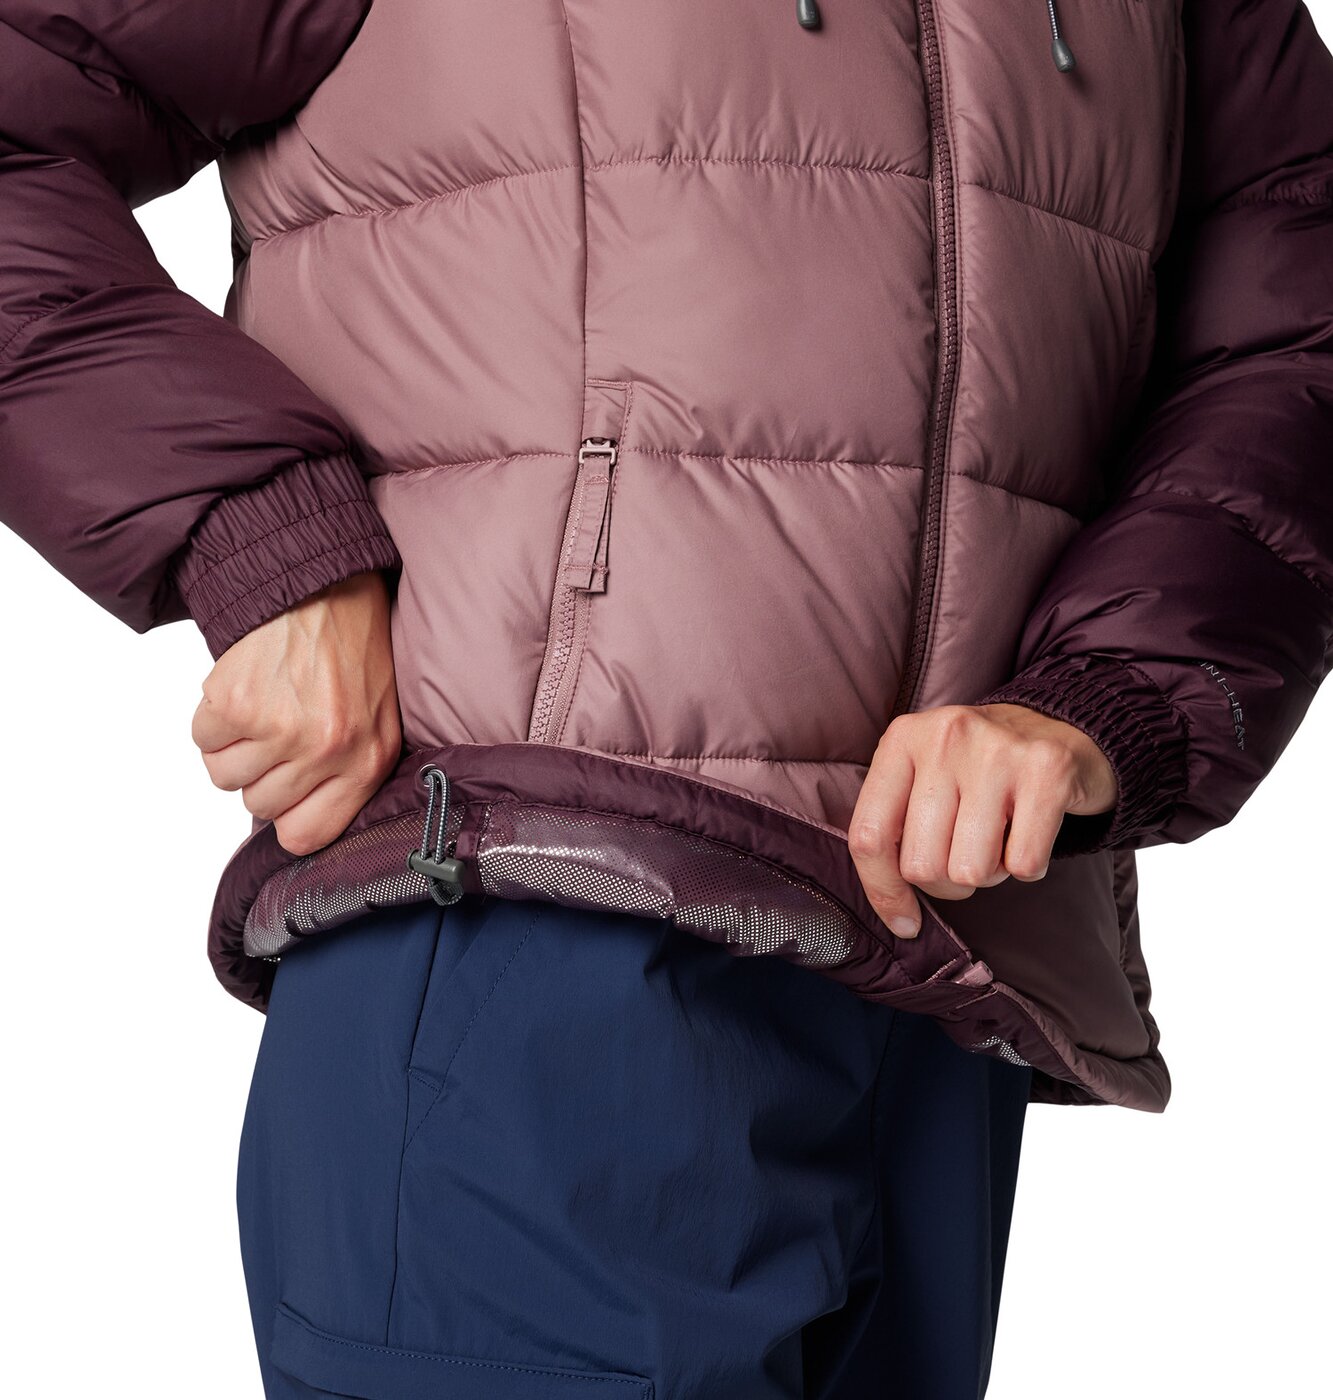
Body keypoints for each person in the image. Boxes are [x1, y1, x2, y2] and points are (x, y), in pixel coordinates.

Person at [2, 1, 1329, 1395]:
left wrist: (1108, 688)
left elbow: (1297, 317)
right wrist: (260, 538)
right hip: (535, 909)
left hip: (952, 965)